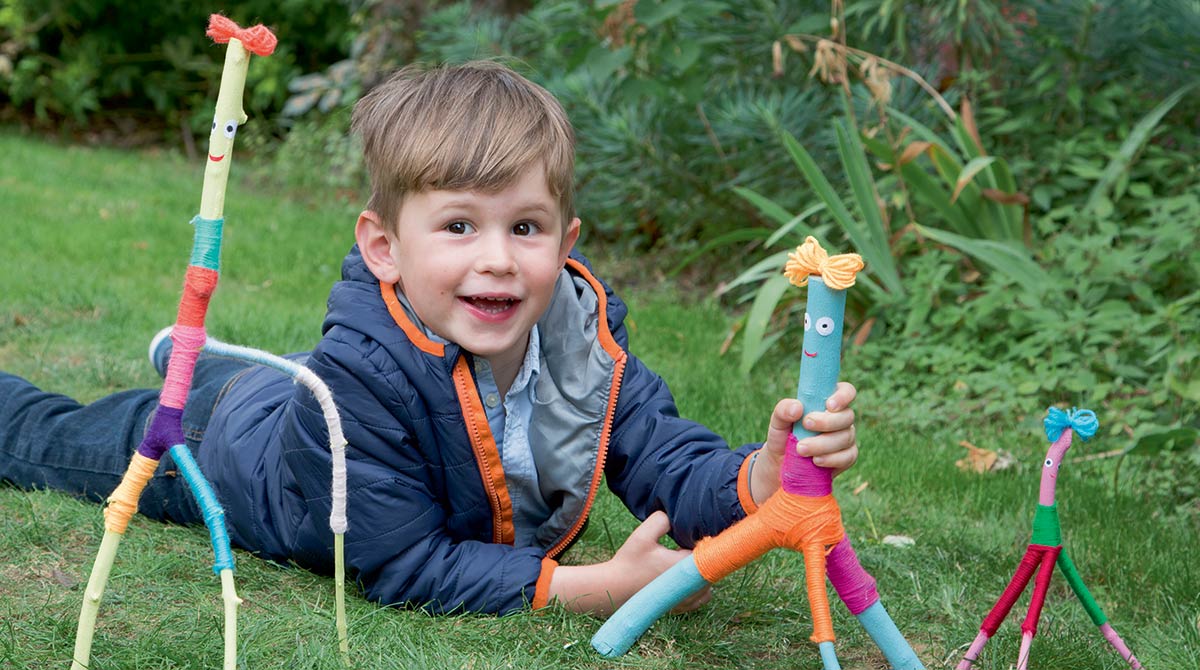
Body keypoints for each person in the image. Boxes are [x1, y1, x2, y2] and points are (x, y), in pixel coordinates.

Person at [0, 60, 858, 616]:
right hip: (242, 455)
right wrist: (590, 589)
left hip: (344, 392)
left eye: (527, 228)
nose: (498, 261)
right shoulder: (359, 382)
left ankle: (209, 357)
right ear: (384, 248)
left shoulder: (580, 338)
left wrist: (761, 473)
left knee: (302, 378)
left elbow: (661, 453)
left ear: (567, 239)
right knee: (63, 442)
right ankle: (194, 374)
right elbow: (402, 564)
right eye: (458, 225)